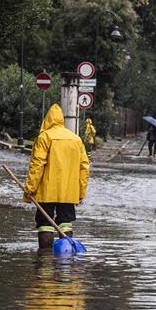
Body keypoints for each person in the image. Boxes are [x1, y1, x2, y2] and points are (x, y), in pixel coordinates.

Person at [24, 103, 90, 249]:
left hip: (47, 191)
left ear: (47, 120)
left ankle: (45, 258)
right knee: (65, 222)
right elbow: (84, 167)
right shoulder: (76, 139)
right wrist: (80, 192)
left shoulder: (44, 137)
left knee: (45, 225)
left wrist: (30, 188)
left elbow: (37, 165)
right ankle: (65, 253)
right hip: (69, 191)